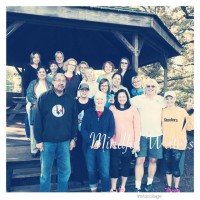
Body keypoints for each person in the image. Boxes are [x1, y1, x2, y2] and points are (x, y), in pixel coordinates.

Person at [34, 73, 78, 192]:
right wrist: (38, 140)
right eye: (58, 80)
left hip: (64, 142)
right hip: (47, 142)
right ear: (52, 82)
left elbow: (74, 120)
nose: (61, 82)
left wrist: (73, 138)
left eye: (63, 80)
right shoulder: (43, 98)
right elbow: (37, 120)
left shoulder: (70, 99)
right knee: (45, 173)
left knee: (65, 171)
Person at [130, 78, 166, 192]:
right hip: (141, 135)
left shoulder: (162, 100)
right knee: (140, 160)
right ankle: (137, 186)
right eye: (148, 86)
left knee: (153, 160)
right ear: (144, 88)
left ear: (156, 88)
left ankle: (149, 183)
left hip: (156, 135)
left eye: (153, 86)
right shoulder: (137, 99)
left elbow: (172, 108)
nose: (150, 88)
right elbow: (123, 102)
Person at [81, 91, 115, 192]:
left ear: (105, 101)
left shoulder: (109, 113)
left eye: (102, 99)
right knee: (91, 170)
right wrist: (92, 142)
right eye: (97, 99)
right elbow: (83, 130)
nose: (99, 101)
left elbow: (111, 130)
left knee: (105, 172)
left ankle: (105, 191)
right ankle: (93, 190)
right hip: (89, 146)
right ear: (94, 100)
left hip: (103, 146)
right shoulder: (88, 112)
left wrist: (100, 141)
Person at [162, 91, 194, 192]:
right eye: (167, 98)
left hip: (178, 144)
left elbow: (189, 127)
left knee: (175, 166)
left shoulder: (181, 111)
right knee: (167, 166)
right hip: (166, 143)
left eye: (171, 98)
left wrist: (193, 112)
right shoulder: (162, 111)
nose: (169, 100)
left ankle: (176, 187)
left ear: (175, 99)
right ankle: (168, 186)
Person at [109, 89, 141, 192]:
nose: (122, 98)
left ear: (127, 97)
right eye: (119, 97)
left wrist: (136, 143)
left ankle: (122, 186)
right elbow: (108, 126)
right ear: (116, 98)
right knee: (113, 165)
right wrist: (110, 140)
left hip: (128, 143)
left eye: (123, 96)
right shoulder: (112, 108)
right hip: (115, 142)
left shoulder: (133, 109)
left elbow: (137, 127)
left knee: (125, 165)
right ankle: (113, 188)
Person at [71, 83, 95, 185]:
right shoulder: (74, 102)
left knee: (87, 156)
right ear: (79, 91)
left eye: (86, 90)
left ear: (88, 91)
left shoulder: (92, 102)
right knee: (76, 156)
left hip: (88, 134)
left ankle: (86, 177)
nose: (84, 92)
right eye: (82, 90)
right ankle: (77, 177)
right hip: (76, 133)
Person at [26, 66, 51, 158]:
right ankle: (34, 149)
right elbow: (29, 94)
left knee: (45, 128)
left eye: (43, 72)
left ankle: (43, 148)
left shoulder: (49, 83)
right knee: (34, 128)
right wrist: (36, 103)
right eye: (40, 72)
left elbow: (51, 95)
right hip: (35, 107)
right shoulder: (33, 83)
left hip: (47, 109)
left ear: (46, 73)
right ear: (37, 74)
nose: (42, 73)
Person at [23, 51, 41, 139]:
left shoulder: (41, 68)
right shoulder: (28, 68)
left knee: (38, 113)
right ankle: (28, 134)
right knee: (29, 113)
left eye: (38, 57)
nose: (36, 59)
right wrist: (27, 95)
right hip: (30, 94)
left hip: (40, 94)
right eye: (34, 57)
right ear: (32, 58)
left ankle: (37, 133)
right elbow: (25, 83)